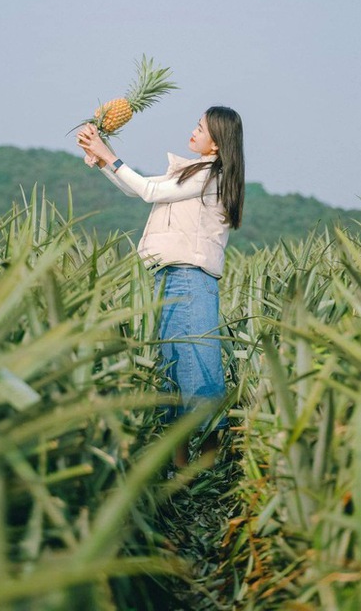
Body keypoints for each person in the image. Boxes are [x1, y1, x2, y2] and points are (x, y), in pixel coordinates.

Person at [76, 106, 245, 467]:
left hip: (189, 277)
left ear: (216, 143)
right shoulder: (196, 173)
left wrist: (110, 155)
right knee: (172, 369)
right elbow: (138, 190)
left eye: (200, 128)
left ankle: (213, 466)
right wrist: (104, 159)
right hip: (170, 275)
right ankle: (182, 468)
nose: (193, 132)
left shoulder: (211, 176)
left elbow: (149, 190)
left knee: (199, 370)